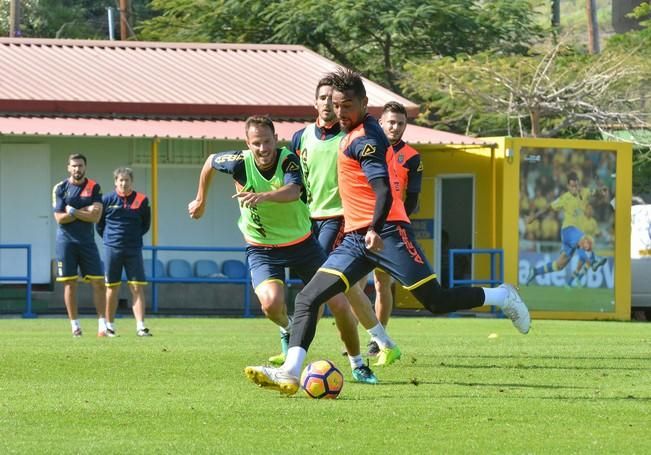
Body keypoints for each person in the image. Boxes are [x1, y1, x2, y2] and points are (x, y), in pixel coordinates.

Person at [244, 68, 531, 396]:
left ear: (365, 104)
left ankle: (502, 296)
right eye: (336, 105)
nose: (340, 111)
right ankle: (290, 372)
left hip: (389, 233)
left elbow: (382, 190)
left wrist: (376, 230)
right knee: (309, 297)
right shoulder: (347, 132)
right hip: (356, 238)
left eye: (347, 105)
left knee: (434, 300)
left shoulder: (365, 140)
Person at [189, 115, 378, 383]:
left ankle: (358, 364)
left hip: (302, 245)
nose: (263, 149)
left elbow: (292, 191)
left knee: (338, 302)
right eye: (256, 143)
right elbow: (209, 163)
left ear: (275, 139)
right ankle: (288, 329)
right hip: (261, 249)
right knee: (270, 304)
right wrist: (200, 199)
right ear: (248, 143)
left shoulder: (288, 159)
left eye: (267, 142)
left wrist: (263, 197)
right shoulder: (237, 162)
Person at [289, 77, 400, 366]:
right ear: (315, 102)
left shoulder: (350, 135)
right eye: (324, 98)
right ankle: (382, 342)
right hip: (310, 219)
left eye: (334, 99)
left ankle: (298, 358)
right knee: (344, 290)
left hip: (340, 220)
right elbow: (298, 180)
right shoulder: (300, 137)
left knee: (318, 292)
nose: (330, 105)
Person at [366, 101, 423, 356]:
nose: (395, 127)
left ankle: (377, 339)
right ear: (381, 123)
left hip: (389, 228)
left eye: (400, 123)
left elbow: (412, 197)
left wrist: (396, 221)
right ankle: (358, 338)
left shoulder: (412, 157)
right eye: (391, 122)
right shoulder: (367, 148)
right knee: (351, 285)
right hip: (361, 223)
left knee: (381, 284)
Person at [52, 153, 106, 337]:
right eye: (74, 166)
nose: (77, 169)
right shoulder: (60, 188)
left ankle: (102, 325)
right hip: (65, 242)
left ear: (85, 167)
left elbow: (96, 216)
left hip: (87, 242)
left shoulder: (94, 187)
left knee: (99, 282)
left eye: (80, 165)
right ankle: (75, 326)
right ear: (68, 167)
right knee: (70, 283)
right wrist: (85, 211)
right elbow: (60, 218)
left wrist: (73, 211)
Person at [96, 167, 152, 337]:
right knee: (112, 287)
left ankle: (141, 327)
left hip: (133, 248)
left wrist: (132, 237)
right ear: (115, 182)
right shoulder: (106, 199)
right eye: (120, 180)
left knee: (136, 287)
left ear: (131, 181)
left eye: (127, 180)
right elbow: (99, 225)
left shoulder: (142, 200)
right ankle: (110, 326)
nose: (124, 183)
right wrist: (111, 239)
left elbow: (145, 225)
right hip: (112, 248)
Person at [525, 172, 608, 286]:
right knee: (585, 240)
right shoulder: (564, 198)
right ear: (568, 187)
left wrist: (601, 191)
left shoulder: (584, 192)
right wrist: (533, 217)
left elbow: (596, 192)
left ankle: (535, 271)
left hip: (576, 235)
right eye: (572, 186)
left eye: (576, 185)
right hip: (568, 230)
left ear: (578, 184)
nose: (575, 188)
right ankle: (594, 260)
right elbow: (548, 207)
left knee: (560, 265)